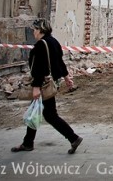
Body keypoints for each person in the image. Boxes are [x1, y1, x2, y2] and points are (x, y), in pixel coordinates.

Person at [11, 18, 83, 154]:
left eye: (34, 30)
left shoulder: (40, 46)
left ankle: (73, 137)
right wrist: (66, 77)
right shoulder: (54, 42)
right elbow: (59, 62)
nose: (33, 32)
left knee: (49, 115)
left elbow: (39, 68)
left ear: (40, 30)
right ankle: (28, 142)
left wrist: (36, 87)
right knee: (37, 111)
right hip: (51, 83)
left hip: (43, 85)